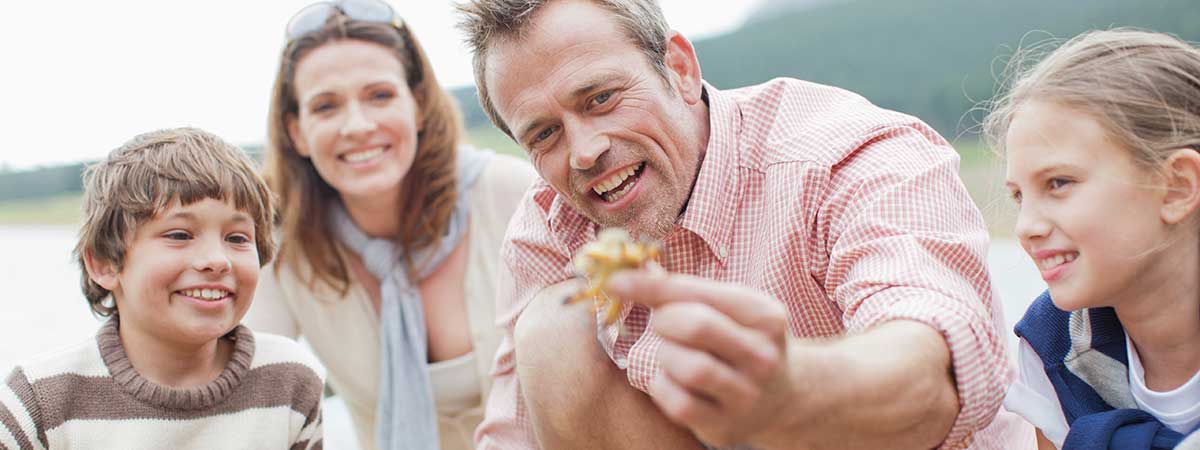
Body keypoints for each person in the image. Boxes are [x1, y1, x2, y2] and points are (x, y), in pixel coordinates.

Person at [455, 0, 1031, 448]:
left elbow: (934, 370)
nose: (585, 152)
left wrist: (790, 391)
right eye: (544, 134)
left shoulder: (842, 155)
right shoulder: (547, 224)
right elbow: (513, 433)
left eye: (601, 98)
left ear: (679, 69)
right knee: (550, 334)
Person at [244, 1, 537, 450]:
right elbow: (244, 389)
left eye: (379, 95)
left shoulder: (513, 194)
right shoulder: (283, 248)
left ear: (418, 105)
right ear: (297, 131)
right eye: (326, 106)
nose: (357, 125)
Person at [0, 128, 324, 450]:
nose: (217, 260)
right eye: (179, 235)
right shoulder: (36, 403)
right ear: (104, 264)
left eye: (237, 238)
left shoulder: (290, 380)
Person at [987, 29, 1200, 449]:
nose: (1026, 227)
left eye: (1059, 183)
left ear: (1176, 188)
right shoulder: (1051, 345)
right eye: (1019, 196)